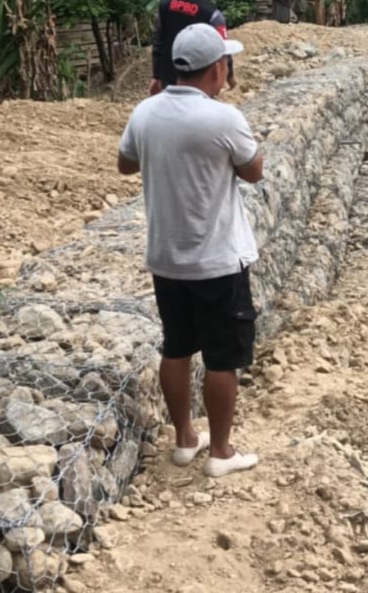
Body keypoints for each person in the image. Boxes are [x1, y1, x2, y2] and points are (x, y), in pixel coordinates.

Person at [118, 23, 262, 478]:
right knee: (223, 357)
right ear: (217, 68)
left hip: (167, 257)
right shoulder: (223, 118)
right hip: (217, 259)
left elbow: (125, 164)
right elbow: (253, 172)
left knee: (176, 348)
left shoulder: (145, 112)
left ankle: (184, 439)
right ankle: (221, 451)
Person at [149, 0, 235, 96]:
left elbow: (157, 42)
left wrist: (156, 76)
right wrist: (230, 76)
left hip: (168, 80)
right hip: (200, 84)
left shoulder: (165, 5)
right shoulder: (213, 14)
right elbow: (223, 49)